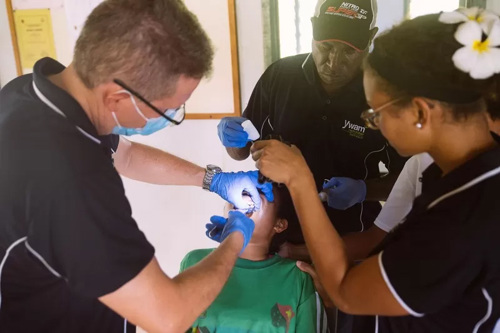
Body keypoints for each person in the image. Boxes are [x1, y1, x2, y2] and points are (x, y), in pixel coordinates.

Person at [0, 1, 272, 332]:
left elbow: (125, 155)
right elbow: (168, 316)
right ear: (116, 98)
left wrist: (214, 180)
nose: (173, 117)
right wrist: (236, 235)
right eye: (171, 109)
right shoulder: (71, 180)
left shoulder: (32, 94)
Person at [251, 8, 500, 332]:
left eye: (375, 113)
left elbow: (346, 289)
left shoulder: (466, 216)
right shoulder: (456, 176)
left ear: (420, 112)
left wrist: (299, 178)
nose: (374, 122)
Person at [217, 0, 408, 249]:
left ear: (370, 38)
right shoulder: (280, 77)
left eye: (349, 52)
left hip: (348, 243)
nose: (333, 63)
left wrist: (365, 190)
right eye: (326, 47)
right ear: (312, 30)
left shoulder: (383, 93)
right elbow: (241, 151)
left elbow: (411, 181)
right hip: (277, 240)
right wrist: (231, 137)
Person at [181, 187, 327, 333]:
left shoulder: (297, 276)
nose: (249, 192)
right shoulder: (196, 261)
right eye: (243, 189)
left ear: (279, 225)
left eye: (261, 193)